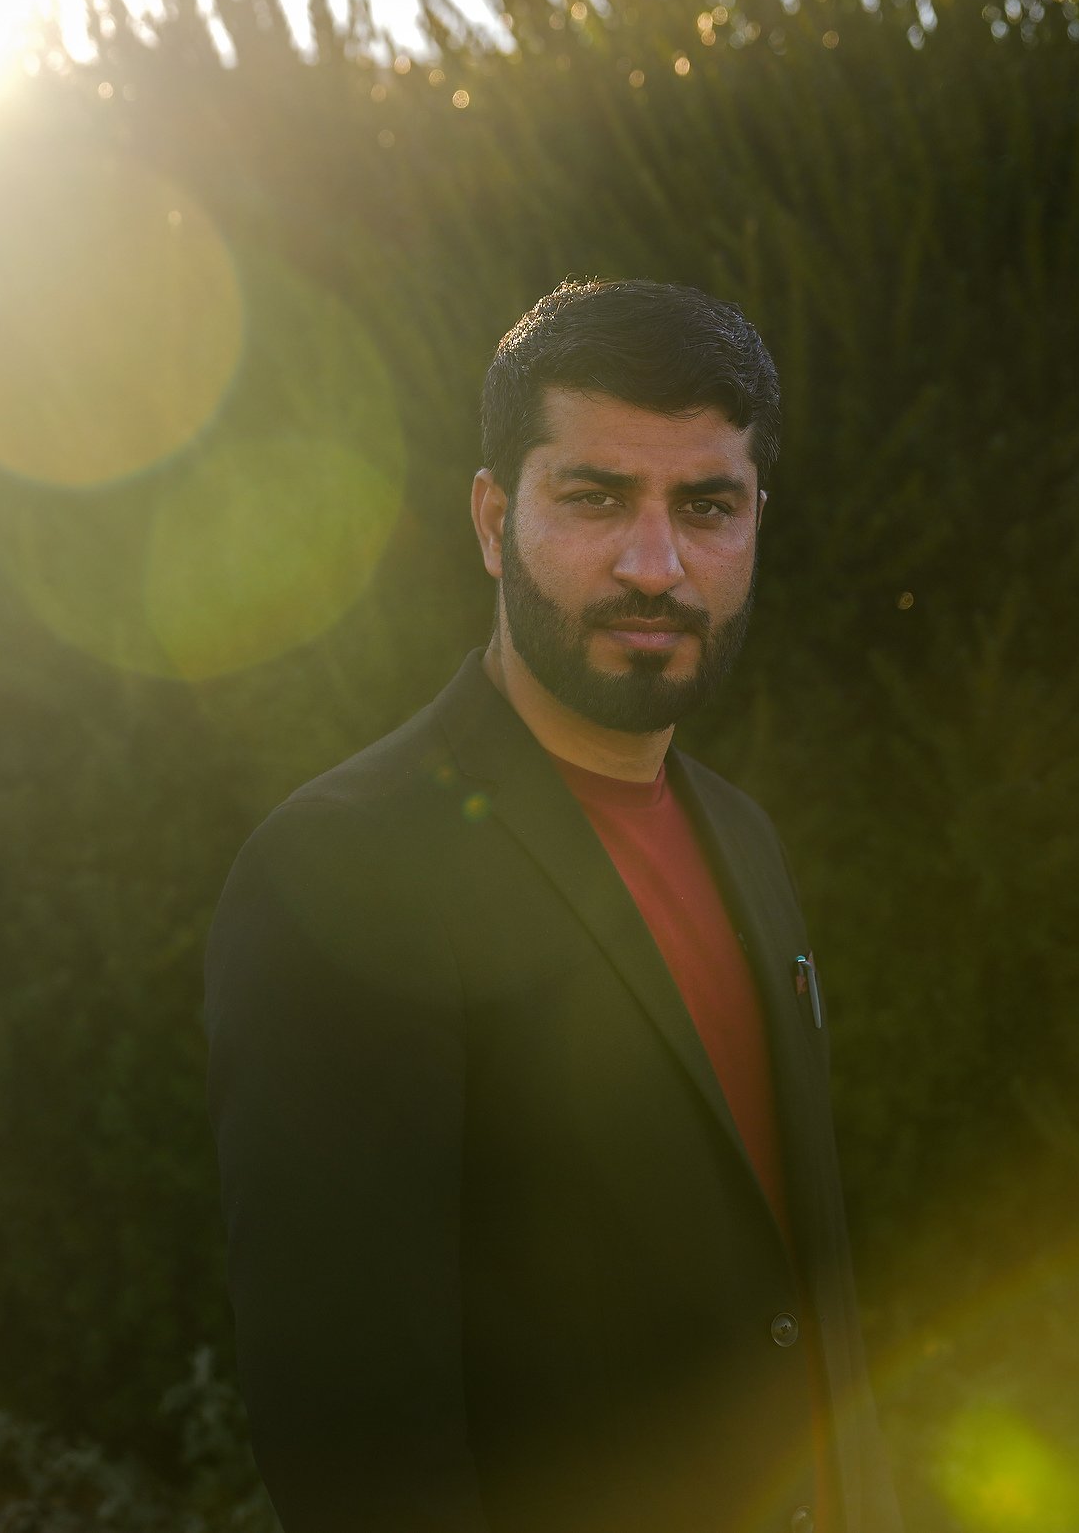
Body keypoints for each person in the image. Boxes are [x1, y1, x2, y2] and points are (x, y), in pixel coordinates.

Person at [202, 278, 904, 1533]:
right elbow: (359, 1445)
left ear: (755, 522)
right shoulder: (340, 870)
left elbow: (804, 1289)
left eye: (705, 506)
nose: (655, 563)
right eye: (593, 497)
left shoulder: (745, 840)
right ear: (490, 517)